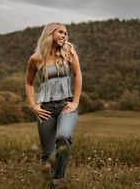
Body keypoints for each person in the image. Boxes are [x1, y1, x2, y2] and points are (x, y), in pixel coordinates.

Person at [25, 22, 82, 187]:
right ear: (50, 33)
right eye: (61, 32)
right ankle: (47, 185)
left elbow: (78, 75)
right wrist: (33, 105)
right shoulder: (36, 59)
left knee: (63, 137)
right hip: (45, 109)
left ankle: (57, 181)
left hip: (67, 106)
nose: (64, 36)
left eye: (66, 33)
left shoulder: (69, 51)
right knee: (47, 154)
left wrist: (75, 101)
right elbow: (28, 84)